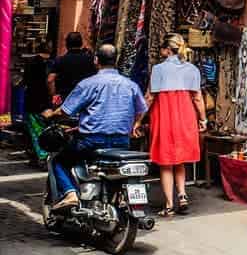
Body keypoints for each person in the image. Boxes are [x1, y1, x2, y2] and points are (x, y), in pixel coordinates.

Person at [43, 44, 146, 212]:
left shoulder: (88, 84)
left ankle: (70, 193)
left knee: (58, 161)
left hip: (92, 141)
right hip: (121, 142)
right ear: (116, 60)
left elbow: (65, 111)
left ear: (96, 60)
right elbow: (142, 109)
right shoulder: (130, 85)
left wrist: (51, 114)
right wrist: (136, 124)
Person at [146, 33, 205, 217]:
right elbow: (198, 98)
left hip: (165, 117)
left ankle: (170, 205)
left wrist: (138, 120)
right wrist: (203, 119)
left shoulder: (158, 69)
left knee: (165, 163)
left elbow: (149, 98)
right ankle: (182, 195)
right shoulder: (192, 69)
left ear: (167, 50)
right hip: (185, 116)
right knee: (179, 160)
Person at [47, 33, 93, 106]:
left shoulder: (60, 60)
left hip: (64, 98)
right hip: (84, 98)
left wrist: (54, 95)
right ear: (81, 43)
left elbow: (50, 80)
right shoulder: (90, 60)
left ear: (67, 44)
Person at [21, 40, 54, 118]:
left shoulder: (29, 61)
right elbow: (51, 81)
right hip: (45, 97)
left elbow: (25, 80)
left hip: (31, 97)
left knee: (32, 121)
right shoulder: (52, 63)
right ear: (50, 50)